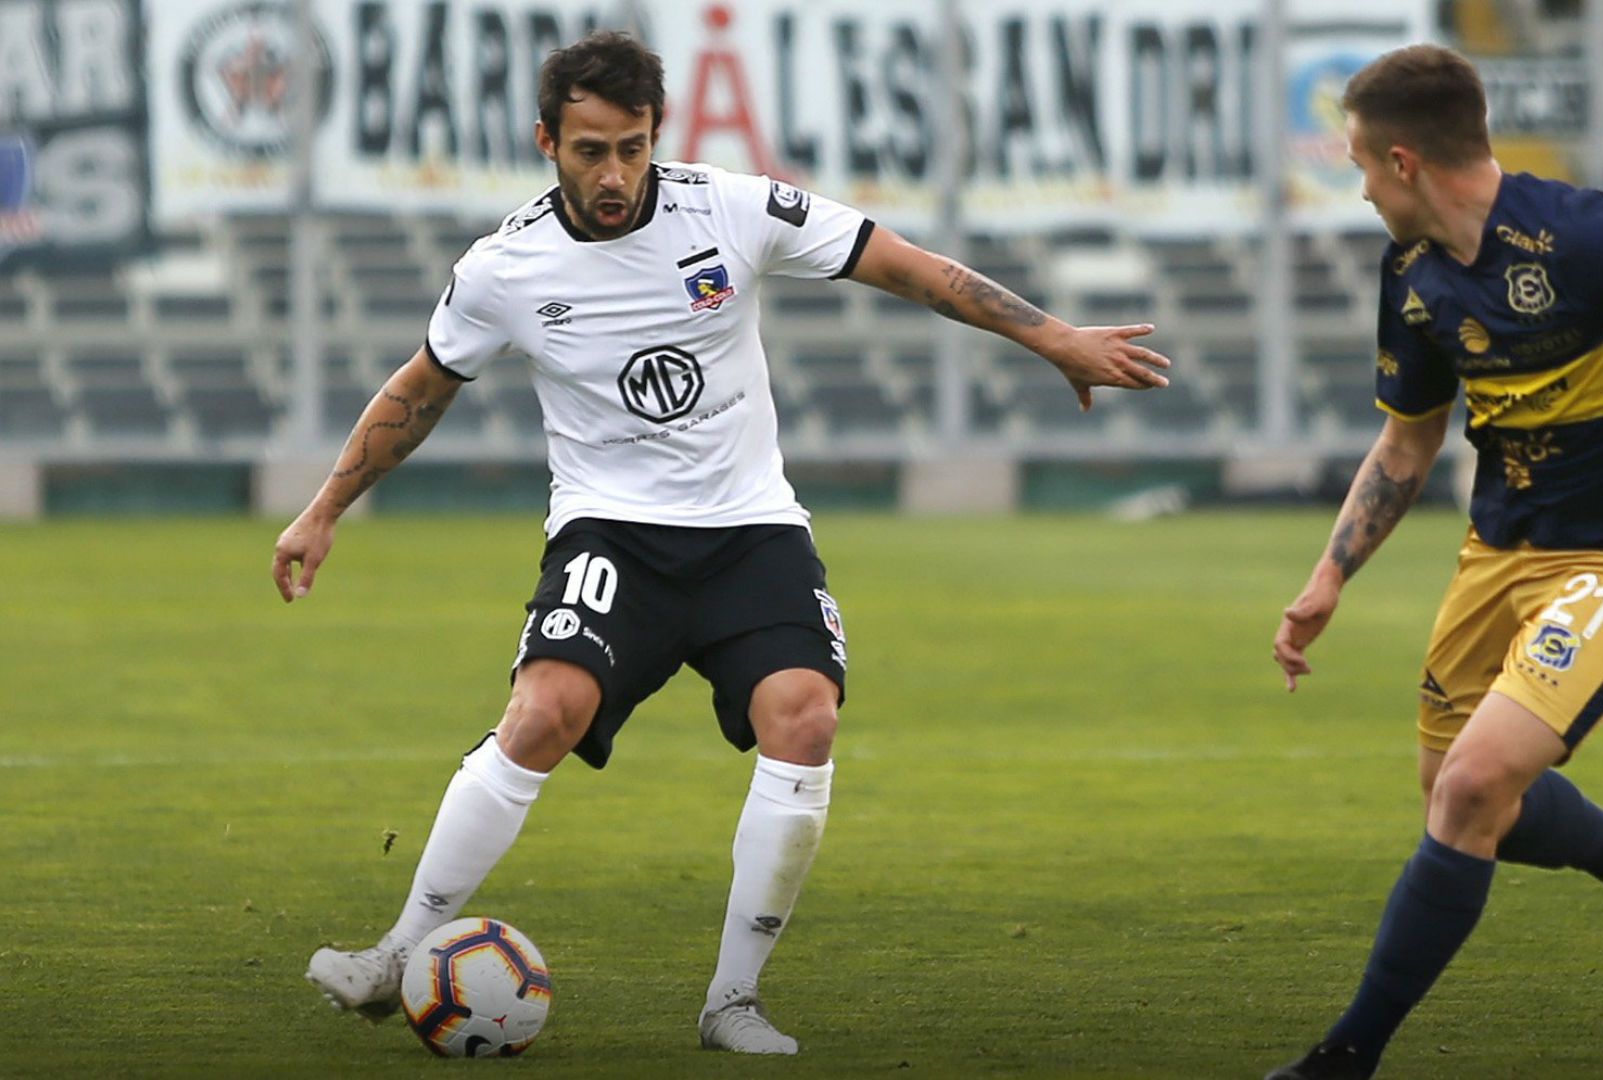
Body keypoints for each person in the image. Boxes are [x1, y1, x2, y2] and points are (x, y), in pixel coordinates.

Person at [274, 30, 1170, 1056]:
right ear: (545, 142)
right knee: (543, 711)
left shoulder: (734, 209)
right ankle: (399, 953)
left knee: (806, 718)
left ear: (660, 135)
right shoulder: (503, 269)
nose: (613, 174)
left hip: (750, 530)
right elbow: (420, 389)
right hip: (614, 531)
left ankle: (731, 1001)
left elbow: (904, 265)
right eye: (589, 150)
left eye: (633, 147)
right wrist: (324, 507)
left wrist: (1052, 335)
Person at [1264, 45, 1603, 1079]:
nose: (1361, 187)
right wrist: (1331, 574)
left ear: (1405, 160)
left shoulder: (1588, 237)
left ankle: (1347, 1057)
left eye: (1362, 166)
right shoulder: (1413, 277)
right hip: (1498, 555)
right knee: (1465, 807)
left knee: (1470, 790)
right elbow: (1409, 442)